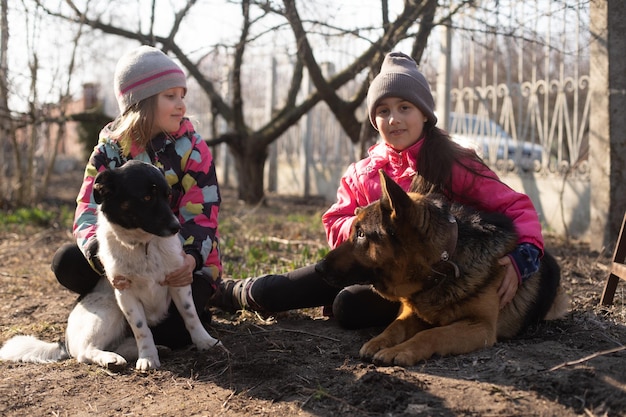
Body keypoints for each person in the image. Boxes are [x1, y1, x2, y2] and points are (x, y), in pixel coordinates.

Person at [209, 51, 543, 330]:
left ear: (425, 115)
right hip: (363, 264)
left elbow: (517, 209)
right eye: (383, 110)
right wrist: (366, 227)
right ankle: (226, 292)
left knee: (349, 306)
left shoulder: (454, 164)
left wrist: (520, 260)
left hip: (419, 282)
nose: (394, 119)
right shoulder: (363, 172)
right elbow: (335, 220)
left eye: (404, 108)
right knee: (276, 291)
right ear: (374, 120)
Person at [51, 45, 222, 348]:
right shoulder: (108, 151)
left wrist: (192, 260)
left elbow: (204, 213)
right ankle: (109, 306)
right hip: (124, 260)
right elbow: (87, 210)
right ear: (141, 102)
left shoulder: (194, 149)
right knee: (66, 261)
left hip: (177, 262)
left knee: (174, 335)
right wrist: (101, 259)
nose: (181, 105)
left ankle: (144, 323)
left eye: (182, 95)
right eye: (170, 96)